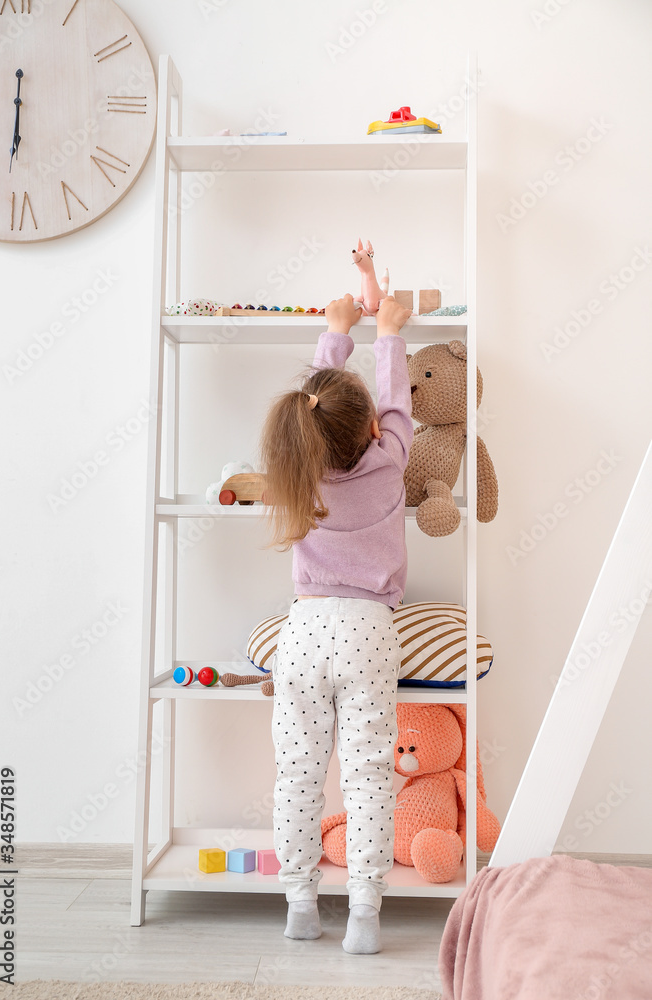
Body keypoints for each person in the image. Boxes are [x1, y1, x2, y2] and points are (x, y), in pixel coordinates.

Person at [259, 292, 413, 954]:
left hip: (305, 629)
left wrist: (333, 333)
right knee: (367, 772)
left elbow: (316, 415)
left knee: (297, 771)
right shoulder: (390, 461)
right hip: (369, 632)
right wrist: (386, 334)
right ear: (373, 430)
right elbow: (398, 407)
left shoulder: (298, 471)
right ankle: (364, 915)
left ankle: (299, 903)